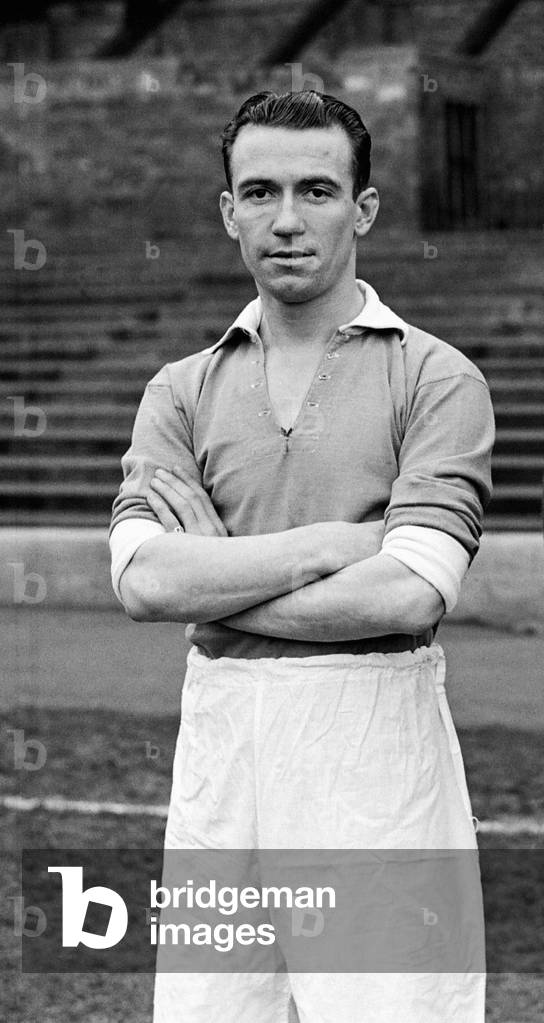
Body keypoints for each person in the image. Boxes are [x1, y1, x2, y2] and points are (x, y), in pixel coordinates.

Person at [109, 90, 495, 1022]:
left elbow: (406, 591)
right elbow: (141, 579)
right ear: (228, 210)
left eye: (317, 190)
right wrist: (328, 546)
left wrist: (219, 580)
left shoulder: (437, 378)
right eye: (261, 191)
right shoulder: (179, 389)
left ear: (362, 208)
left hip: (373, 749)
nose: (287, 219)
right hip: (223, 746)